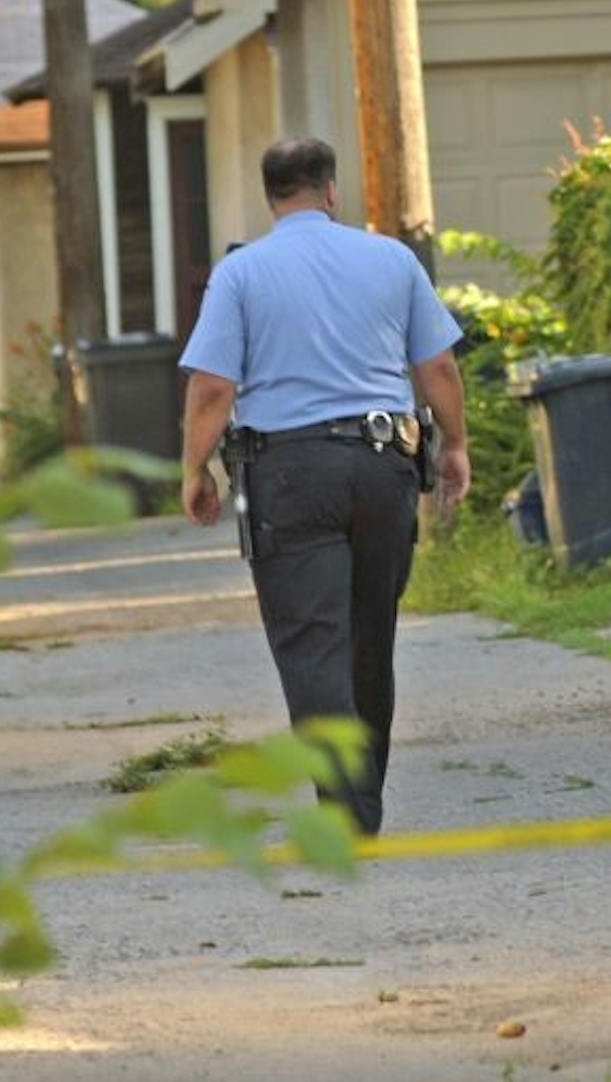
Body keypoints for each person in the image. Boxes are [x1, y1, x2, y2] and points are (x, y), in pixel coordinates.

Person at [178, 138, 471, 834]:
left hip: (287, 475)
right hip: (382, 467)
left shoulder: (242, 273)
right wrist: (455, 445)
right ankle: (362, 803)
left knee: (314, 644)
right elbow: (439, 371)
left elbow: (214, 387)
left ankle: (347, 817)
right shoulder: (392, 259)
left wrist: (196, 467)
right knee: (371, 637)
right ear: (331, 190)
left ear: (270, 196)